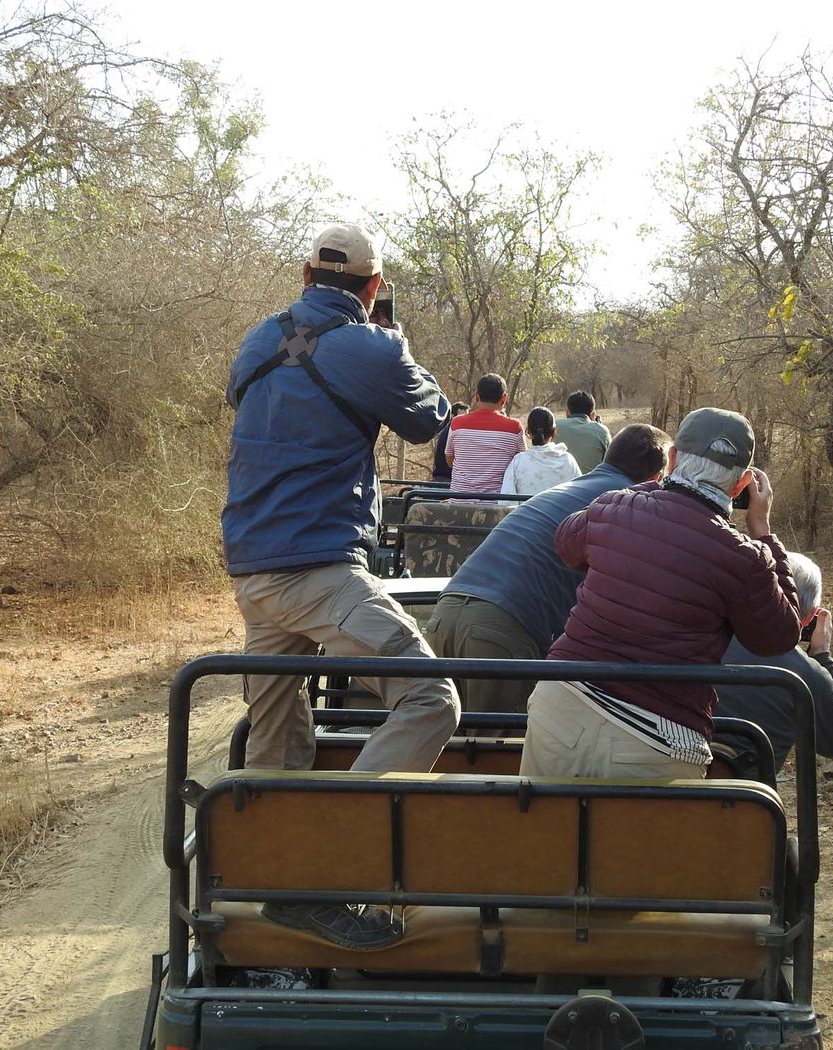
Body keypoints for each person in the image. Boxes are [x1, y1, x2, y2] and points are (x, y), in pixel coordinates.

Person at [223, 222, 460, 949]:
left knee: (279, 728)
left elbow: (253, 403)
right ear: (374, 287)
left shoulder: (259, 339)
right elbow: (428, 421)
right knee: (430, 697)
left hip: (252, 570)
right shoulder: (374, 345)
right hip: (317, 568)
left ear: (303, 275)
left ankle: (270, 877)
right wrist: (396, 344)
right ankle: (324, 875)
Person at [520, 408, 803, 780]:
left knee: (540, 835)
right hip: (660, 740)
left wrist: (656, 490)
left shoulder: (615, 506)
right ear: (741, 486)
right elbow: (781, 635)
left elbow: (567, 541)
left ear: (671, 460)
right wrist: (763, 531)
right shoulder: (745, 558)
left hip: (563, 705)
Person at [427, 424, 670, 716]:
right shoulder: (626, 505)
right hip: (501, 629)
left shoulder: (566, 491)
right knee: (498, 753)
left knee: (448, 750)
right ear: (657, 477)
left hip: (444, 614)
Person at [716, 552, 833, 770]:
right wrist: (822, 656)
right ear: (810, 617)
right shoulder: (807, 674)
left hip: (669, 792)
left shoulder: (700, 641)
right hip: (750, 800)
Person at [446, 373, 525, 493]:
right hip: (499, 506)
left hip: (459, 504)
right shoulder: (514, 428)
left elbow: (449, 460)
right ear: (504, 399)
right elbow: (523, 464)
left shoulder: (457, 423)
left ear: (477, 397)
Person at [500, 407, 582, 496]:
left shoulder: (518, 462)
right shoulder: (568, 460)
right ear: (554, 432)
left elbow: (507, 502)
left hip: (526, 510)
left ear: (528, 432)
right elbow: (581, 494)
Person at [556, 390, 612, 472]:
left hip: (560, 483)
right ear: (593, 415)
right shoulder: (602, 431)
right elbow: (610, 464)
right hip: (592, 483)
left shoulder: (555, 427)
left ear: (567, 412)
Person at [431, 402, 469, 481]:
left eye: (466, 416)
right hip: (446, 479)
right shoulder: (451, 433)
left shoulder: (449, 431)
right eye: (461, 417)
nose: (464, 419)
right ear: (452, 416)